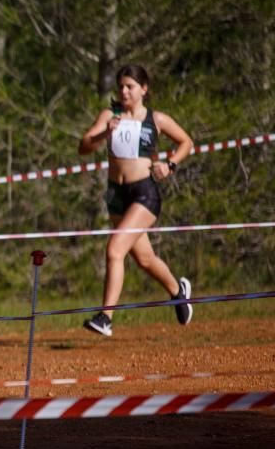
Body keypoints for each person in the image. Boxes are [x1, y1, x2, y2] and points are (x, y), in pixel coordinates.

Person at [78, 64, 194, 337]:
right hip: (116, 195)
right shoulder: (110, 115)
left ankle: (105, 317)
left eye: (130, 86)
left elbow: (186, 142)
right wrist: (105, 132)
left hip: (144, 194)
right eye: (120, 86)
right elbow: (84, 147)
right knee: (144, 258)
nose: (124, 91)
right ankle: (178, 292)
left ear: (144, 89)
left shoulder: (156, 119)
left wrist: (170, 165)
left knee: (115, 250)